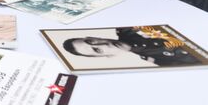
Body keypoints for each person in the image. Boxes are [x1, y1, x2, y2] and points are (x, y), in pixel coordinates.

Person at [62, 27, 201, 66]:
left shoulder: (127, 28)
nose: (104, 44)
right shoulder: (159, 60)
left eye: (92, 42)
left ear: (92, 37)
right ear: (107, 56)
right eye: (97, 50)